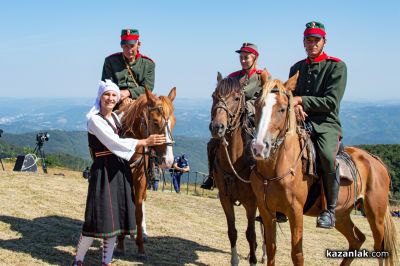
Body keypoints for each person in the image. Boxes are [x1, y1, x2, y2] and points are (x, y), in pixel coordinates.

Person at [71, 80, 166, 266]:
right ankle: (78, 260)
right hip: (104, 170)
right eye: (107, 94)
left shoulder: (115, 117)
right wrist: (145, 142)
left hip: (119, 169)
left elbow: (134, 119)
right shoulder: (94, 120)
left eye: (114, 95)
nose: (111, 98)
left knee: (115, 223)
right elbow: (114, 142)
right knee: (95, 220)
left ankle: (106, 261)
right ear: (100, 97)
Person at [289, 21, 347, 229]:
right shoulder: (296, 68)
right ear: (303, 42)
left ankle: (329, 210)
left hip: (326, 124)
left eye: (316, 40)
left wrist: (301, 100)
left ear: (324, 41)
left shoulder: (336, 66)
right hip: (299, 120)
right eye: (308, 40)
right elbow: (291, 96)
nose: (312, 43)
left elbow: (331, 102)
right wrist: (295, 106)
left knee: (325, 155)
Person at [201, 43, 268, 190]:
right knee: (212, 144)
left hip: (252, 118)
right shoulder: (232, 78)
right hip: (233, 119)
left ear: (255, 58)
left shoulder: (261, 77)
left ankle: (264, 180)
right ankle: (212, 177)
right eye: (241, 57)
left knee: (260, 145)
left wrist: (247, 107)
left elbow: (263, 99)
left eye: (246, 57)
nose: (243, 60)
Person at [101, 28, 155, 103]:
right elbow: (106, 85)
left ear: (139, 44)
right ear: (121, 46)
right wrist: (120, 96)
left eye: (132, 45)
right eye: (126, 46)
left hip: (139, 102)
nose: (129, 50)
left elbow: (148, 88)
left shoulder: (148, 64)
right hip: (114, 101)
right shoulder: (110, 61)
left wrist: (128, 93)